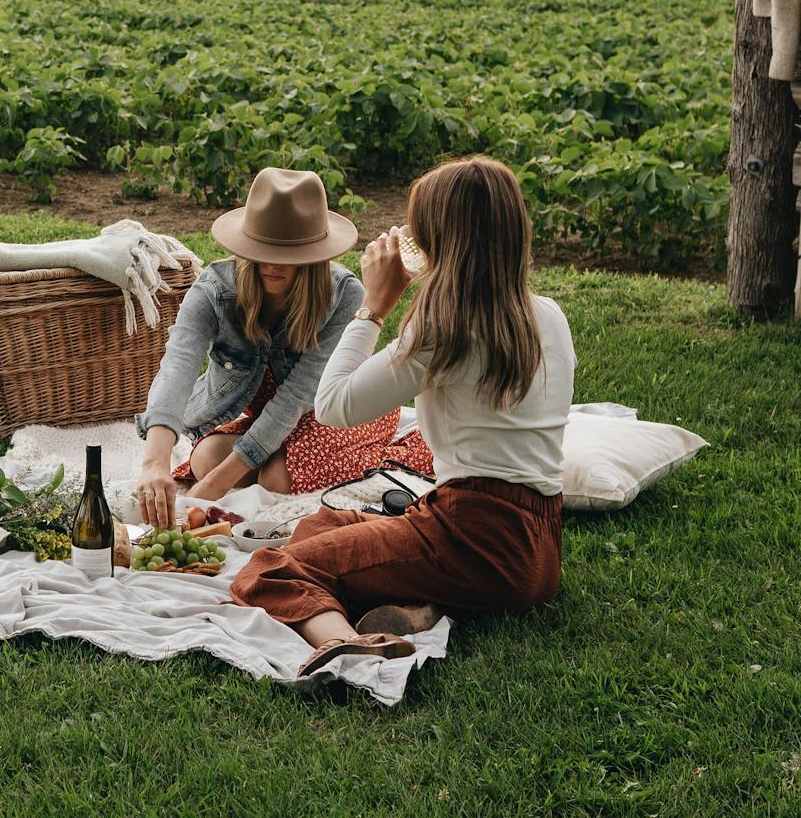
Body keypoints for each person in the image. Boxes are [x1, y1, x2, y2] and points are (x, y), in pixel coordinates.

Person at [230, 155, 574, 677]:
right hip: (540, 546)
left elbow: (333, 405)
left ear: (438, 241)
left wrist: (375, 305)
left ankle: (345, 642)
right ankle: (421, 607)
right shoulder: (549, 316)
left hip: (472, 537)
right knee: (320, 525)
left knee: (271, 568)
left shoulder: (443, 331)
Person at [134, 167, 433, 530]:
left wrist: (214, 487)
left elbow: (296, 398)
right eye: (262, 250)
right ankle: (272, 455)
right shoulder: (214, 290)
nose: (273, 263)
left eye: (289, 254)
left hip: (331, 408)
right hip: (268, 418)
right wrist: (155, 463)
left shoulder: (342, 295)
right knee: (206, 459)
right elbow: (177, 368)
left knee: (275, 479)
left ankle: (384, 453)